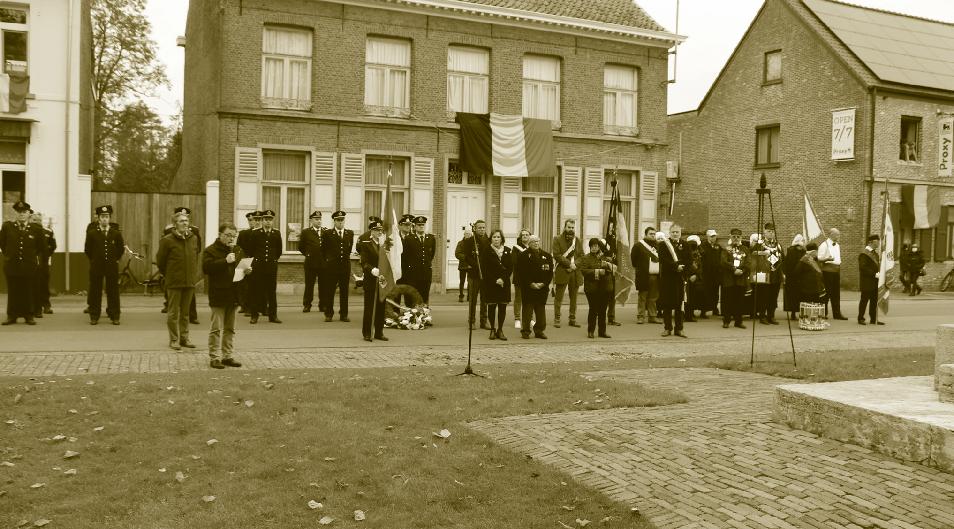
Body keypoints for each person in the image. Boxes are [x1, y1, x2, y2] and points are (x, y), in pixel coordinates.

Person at [156, 211, 201, 351]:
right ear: (175, 224)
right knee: (173, 313)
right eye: (181, 221)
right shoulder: (167, 240)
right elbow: (160, 261)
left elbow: (196, 256)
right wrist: (169, 274)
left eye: (186, 221)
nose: (185, 223)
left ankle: (184, 338)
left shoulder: (194, 238)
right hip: (174, 282)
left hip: (189, 282)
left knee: (185, 313)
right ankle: (174, 339)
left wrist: (193, 275)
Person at [202, 222, 245, 369]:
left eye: (233, 236)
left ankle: (227, 356)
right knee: (216, 328)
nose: (231, 238)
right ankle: (214, 357)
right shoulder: (210, 250)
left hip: (233, 294)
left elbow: (239, 269)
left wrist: (246, 270)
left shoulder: (237, 250)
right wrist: (225, 261)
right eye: (228, 235)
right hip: (218, 294)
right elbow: (207, 268)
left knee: (230, 328)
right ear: (220, 235)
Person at [0, 201, 40, 325]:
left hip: (29, 265)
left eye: (24, 212)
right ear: (16, 213)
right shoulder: (7, 227)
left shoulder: (36, 229)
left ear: (28, 214)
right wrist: (9, 256)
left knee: (28, 290)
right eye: (19, 212)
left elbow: (40, 247)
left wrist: (31, 258)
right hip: (12, 265)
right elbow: (2, 244)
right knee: (13, 291)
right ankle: (12, 316)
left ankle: (29, 315)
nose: (21, 214)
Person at [84, 205, 124, 325]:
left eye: (107, 216)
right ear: (99, 218)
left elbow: (120, 249)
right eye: (102, 217)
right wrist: (95, 260)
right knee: (95, 291)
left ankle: (114, 315)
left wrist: (114, 259)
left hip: (111, 266)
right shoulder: (92, 233)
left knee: (113, 291)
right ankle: (94, 315)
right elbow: (88, 250)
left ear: (109, 218)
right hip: (97, 266)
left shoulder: (116, 233)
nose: (105, 219)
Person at [657, 226, 693, 337]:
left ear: (680, 233)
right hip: (668, 279)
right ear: (669, 233)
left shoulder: (685, 244)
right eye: (673, 232)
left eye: (677, 232)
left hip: (680, 279)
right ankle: (667, 328)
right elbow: (663, 259)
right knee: (667, 305)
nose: (675, 234)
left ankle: (679, 329)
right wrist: (675, 267)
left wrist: (684, 269)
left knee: (679, 305)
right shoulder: (663, 245)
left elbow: (689, 260)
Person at [248, 209, 282, 324]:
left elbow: (279, 251)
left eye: (270, 220)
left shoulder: (276, 233)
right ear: (262, 221)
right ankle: (254, 315)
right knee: (256, 291)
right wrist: (256, 262)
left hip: (271, 267)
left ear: (273, 221)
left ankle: (273, 316)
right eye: (266, 219)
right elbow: (251, 250)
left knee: (272, 292)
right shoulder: (256, 233)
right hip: (258, 267)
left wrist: (273, 260)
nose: (268, 222)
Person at [516, 234, 553, 339]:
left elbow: (550, 273)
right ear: (529, 243)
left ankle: (539, 331)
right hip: (528, 288)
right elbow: (521, 272)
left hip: (542, 288)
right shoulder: (523, 256)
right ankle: (525, 331)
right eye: (533, 241)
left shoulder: (547, 256)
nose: (536, 243)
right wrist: (530, 283)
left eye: (537, 241)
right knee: (527, 311)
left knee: (540, 311)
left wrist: (544, 283)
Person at [357, 219, 386, 342]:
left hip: (382, 280)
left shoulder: (384, 245)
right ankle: (367, 333)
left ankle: (379, 332)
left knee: (381, 307)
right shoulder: (366, 244)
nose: (379, 232)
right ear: (371, 231)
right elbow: (364, 262)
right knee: (369, 308)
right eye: (377, 230)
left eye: (381, 230)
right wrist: (371, 269)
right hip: (371, 279)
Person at [579, 238, 615, 339]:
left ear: (599, 247)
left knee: (603, 310)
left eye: (596, 246)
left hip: (604, 287)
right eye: (592, 246)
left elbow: (612, 269)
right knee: (593, 309)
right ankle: (591, 331)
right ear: (590, 247)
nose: (594, 248)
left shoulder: (604, 257)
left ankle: (602, 332)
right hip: (592, 288)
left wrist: (607, 265)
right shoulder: (586, 258)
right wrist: (597, 271)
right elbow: (584, 271)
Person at [480, 229, 512, 340]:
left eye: (498, 237)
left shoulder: (508, 250)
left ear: (502, 239)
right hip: (491, 283)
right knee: (492, 307)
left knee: (502, 307)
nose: (496, 239)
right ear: (491, 239)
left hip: (504, 284)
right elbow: (484, 269)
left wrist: (503, 279)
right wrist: (495, 280)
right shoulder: (486, 251)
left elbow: (510, 268)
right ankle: (493, 329)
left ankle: (500, 330)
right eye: (494, 237)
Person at [322, 210, 354, 322]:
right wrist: (327, 262)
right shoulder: (327, 234)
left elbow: (349, 249)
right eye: (338, 220)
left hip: (345, 266)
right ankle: (329, 313)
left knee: (344, 292)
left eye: (342, 220)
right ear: (334, 221)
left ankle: (344, 314)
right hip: (332, 267)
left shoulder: (349, 233)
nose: (340, 222)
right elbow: (323, 250)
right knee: (330, 291)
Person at [551, 219, 583, 328]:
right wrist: (569, 264)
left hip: (575, 272)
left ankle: (572, 319)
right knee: (559, 297)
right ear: (565, 227)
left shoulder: (577, 240)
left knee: (574, 298)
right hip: (562, 271)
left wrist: (575, 265)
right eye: (569, 227)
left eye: (572, 227)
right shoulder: (557, 239)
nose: (571, 229)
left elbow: (582, 256)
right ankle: (557, 318)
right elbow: (557, 255)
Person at [750, 223, 784, 325]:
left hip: (775, 274)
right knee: (763, 296)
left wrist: (783, 272)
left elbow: (783, 258)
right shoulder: (760, 244)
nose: (771, 233)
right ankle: (762, 316)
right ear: (764, 232)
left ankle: (771, 316)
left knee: (773, 296)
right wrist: (764, 253)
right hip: (764, 274)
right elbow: (753, 255)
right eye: (769, 231)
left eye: (773, 231)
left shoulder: (778, 245)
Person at [461, 219, 489, 329]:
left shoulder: (488, 240)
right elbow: (466, 256)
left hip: (485, 274)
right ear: (475, 229)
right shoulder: (469, 241)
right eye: (480, 228)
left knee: (485, 299)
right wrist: (475, 264)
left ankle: (484, 321)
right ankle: (471, 321)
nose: (482, 229)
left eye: (483, 228)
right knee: (473, 300)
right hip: (473, 274)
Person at [720, 228, 749, 329]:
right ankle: (726, 321)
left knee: (739, 301)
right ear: (730, 237)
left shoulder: (745, 249)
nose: (736, 238)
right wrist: (734, 270)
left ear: (741, 237)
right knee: (728, 301)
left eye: (738, 236)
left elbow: (748, 262)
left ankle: (738, 321)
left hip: (740, 279)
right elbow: (723, 262)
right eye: (734, 236)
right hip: (729, 279)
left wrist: (742, 271)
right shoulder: (726, 249)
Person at [631, 226, 660, 324]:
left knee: (653, 297)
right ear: (645, 234)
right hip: (643, 275)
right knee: (642, 297)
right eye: (651, 234)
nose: (653, 236)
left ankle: (652, 316)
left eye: (654, 234)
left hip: (655, 276)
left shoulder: (658, 245)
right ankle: (640, 316)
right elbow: (633, 260)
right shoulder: (638, 246)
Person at [404, 216, 436, 304]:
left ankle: (423, 312)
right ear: (414, 226)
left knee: (424, 295)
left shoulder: (431, 238)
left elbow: (431, 254)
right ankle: (413, 312)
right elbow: (405, 256)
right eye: (419, 225)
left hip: (426, 272)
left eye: (423, 225)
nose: (421, 227)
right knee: (412, 296)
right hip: (413, 273)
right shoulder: (409, 239)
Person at [299, 210, 326, 313]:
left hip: (323, 263)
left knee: (323, 286)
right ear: (311, 221)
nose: (319, 221)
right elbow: (301, 247)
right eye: (316, 219)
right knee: (309, 285)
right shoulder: (306, 232)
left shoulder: (325, 232)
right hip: (310, 263)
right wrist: (309, 254)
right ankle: (307, 305)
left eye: (320, 219)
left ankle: (323, 305)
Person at [817, 228, 847, 319]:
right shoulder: (824, 245)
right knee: (826, 293)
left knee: (836, 293)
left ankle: (837, 313)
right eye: (837, 234)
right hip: (827, 271)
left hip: (836, 270)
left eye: (839, 234)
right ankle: (823, 313)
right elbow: (819, 258)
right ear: (831, 234)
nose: (839, 236)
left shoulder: (837, 245)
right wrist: (827, 258)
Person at [30, 212, 55, 318]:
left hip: (44, 263)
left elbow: (53, 246)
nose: (37, 222)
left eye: (39, 220)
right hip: (31, 263)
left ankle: (46, 305)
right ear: (31, 220)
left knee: (44, 284)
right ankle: (33, 307)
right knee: (32, 286)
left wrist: (45, 255)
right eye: (34, 220)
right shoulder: (28, 231)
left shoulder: (48, 231)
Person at [236, 211, 261, 314]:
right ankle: (244, 306)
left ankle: (259, 307)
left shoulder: (262, 233)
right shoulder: (243, 233)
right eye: (250, 220)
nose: (252, 222)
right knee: (243, 285)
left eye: (254, 220)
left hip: (258, 261)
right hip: (245, 260)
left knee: (257, 285)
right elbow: (238, 248)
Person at [858, 234, 884, 325]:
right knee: (864, 300)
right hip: (867, 281)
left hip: (875, 281)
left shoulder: (875, 253)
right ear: (871, 242)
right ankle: (860, 318)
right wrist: (874, 274)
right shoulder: (864, 254)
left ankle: (873, 319)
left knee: (874, 301)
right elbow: (863, 267)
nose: (878, 243)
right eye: (877, 241)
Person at [782, 234, 807, 321]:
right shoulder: (791, 251)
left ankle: (801, 312)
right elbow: (788, 264)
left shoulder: (804, 251)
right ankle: (793, 312)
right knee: (793, 295)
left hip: (801, 277)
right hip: (792, 277)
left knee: (801, 296)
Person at [699, 229, 721, 318]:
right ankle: (703, 310)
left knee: (715, 292)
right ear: (707, 237)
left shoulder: (718, 246)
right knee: (706, 292)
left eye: (714, 236)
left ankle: (714, 308)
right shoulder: (703, 246)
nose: (713, 238)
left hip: (716, 273)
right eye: (712, 236)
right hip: (706, 273)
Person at [511, 228, 531, 329]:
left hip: (530, 278)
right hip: (519, 277)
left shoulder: (532, 247)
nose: (525, 236)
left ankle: (529, 318)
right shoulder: (516, 248)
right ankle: (517, 319)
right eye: (523, 235)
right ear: (520, 237)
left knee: (529, 299)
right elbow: (514, 262)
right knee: (518, 298)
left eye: (527, 235)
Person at [454, 227, 472, 302]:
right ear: (464, 234)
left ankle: (469, 296)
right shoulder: (460, 243)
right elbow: (457, 253)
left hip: (471, 266)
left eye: (469, 234)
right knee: (462, 281)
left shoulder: (473, 243)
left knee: (470, 282)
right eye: (466, 234)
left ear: (471, 235)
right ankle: (461, 296)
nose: (468, 235)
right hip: (462, 265)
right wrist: (465, 257)